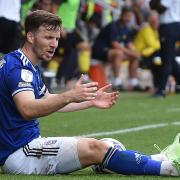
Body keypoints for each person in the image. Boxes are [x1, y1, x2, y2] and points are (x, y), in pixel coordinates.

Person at [0, 10, 180, 176]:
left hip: (27, 147)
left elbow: (48, 99)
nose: (54, 44)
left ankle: (155, 159)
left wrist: (89, 101)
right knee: (96, 147)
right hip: (20, 152)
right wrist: (70, 95)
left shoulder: (27, 65)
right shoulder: (17, 68)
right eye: (48, 37)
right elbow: (28, 109)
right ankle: (169, 169)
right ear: (30, 36)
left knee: (108, 146)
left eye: (56, 38)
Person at [91, 6, 141, 91]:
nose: (128, 18)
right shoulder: (113, 26)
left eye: (130, 16)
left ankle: (134, 82)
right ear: (121, 15)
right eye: (126, 16)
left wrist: (135, 52)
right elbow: (114, 44)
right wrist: (130, 52)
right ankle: (117, 82)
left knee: (135, 56)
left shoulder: (126, 28)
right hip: (100, 52)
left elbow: (129, 44)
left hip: (111, 52)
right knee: (119, 53)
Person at [149, 0, 180, 97]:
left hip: (170, 25)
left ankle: (161, 89)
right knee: (169, 58)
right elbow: (152, 5)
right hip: (167, 26)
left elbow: (160, 8)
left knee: (166, 59)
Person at [134, 11, 161, 91]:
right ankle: (158, 85)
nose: (155, 23)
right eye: (153, 21)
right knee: (158, 61)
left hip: (148, 55)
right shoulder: (147, 29)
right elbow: (154, 45)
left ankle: (158, 85)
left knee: (159, 62)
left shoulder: (155, 31)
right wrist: (159, 44)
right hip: (140, 55)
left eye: (156, 21)